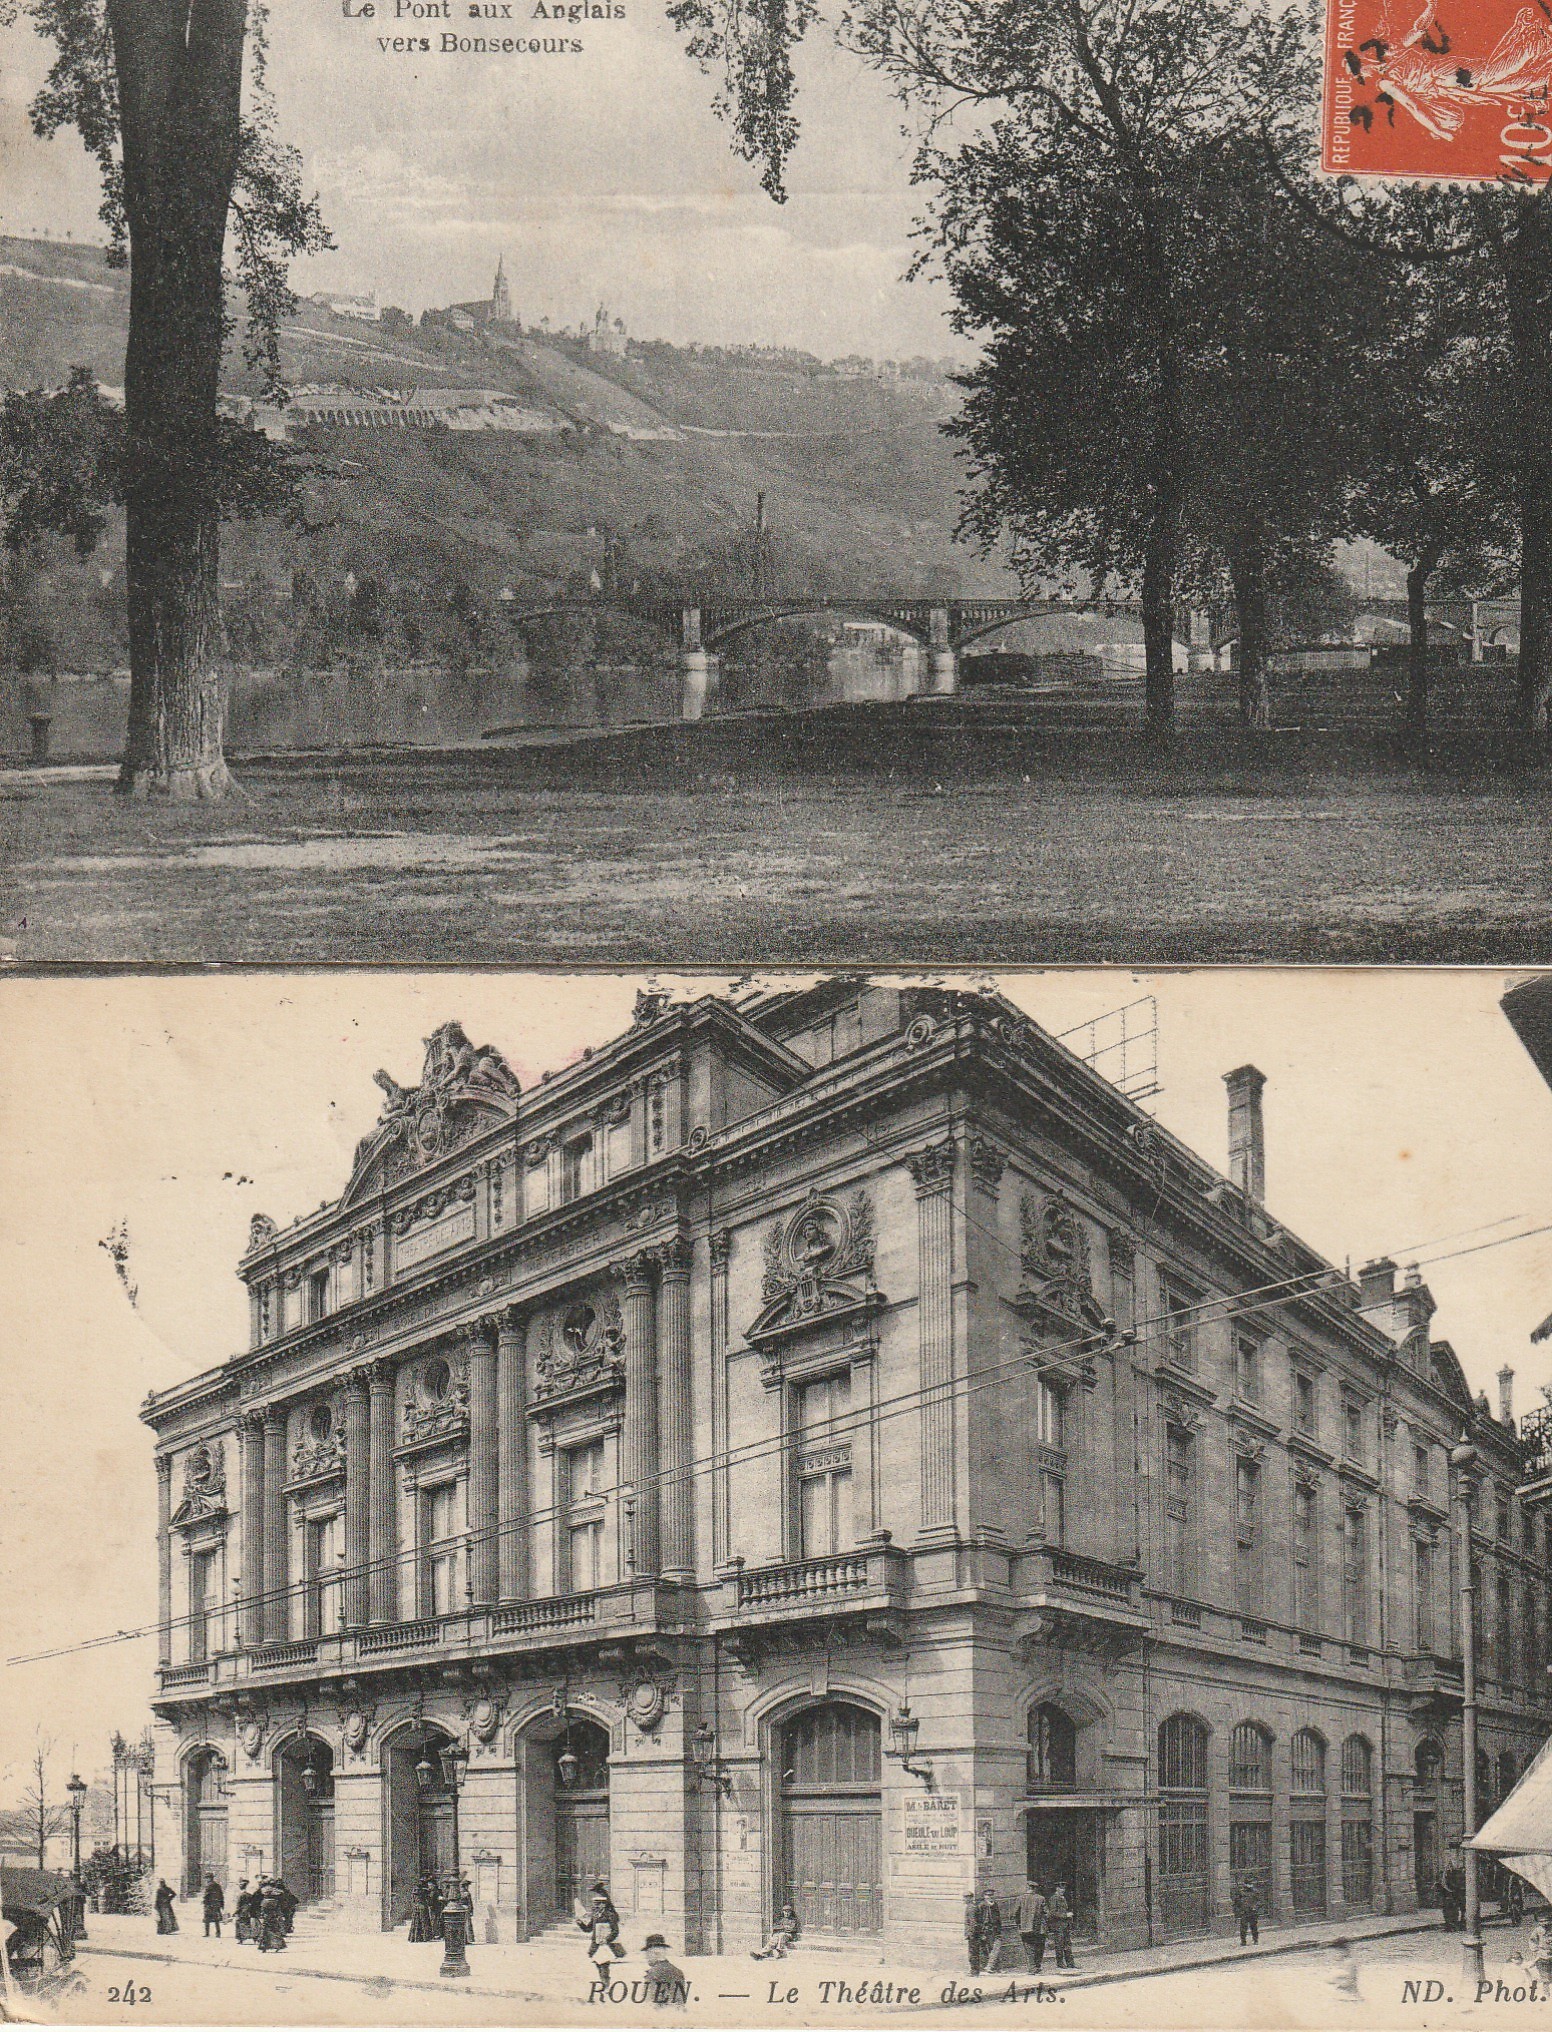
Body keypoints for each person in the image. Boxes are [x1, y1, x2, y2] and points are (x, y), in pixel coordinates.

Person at [579, 1884, 625, 1971]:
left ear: (603, 1905)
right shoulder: (595, 1915)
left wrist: (607, 1940)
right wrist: (580, 1924)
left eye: (598, 1904)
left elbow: (615, 1931)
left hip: (609, 1948)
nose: (595, 1906)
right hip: (596, 1949)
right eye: (595, 1904)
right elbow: (588, 1929)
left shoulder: (610, 1915)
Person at [641, 1934, 688, 2009]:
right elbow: (680, 2001)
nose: (646, 1957)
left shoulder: (653, 1973)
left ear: (655, 1953)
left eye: (647, 1953)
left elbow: (649, 2003)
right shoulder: (678, 1971)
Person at [1016, 1879, 1048, 1973]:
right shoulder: (1041, 1898)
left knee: (1029, 1949)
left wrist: (1019, 1925)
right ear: (1035, 1889)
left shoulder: (1020, 1898)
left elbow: (1016, 1914)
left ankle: (1032, 1968)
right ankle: (1037, 1967)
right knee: (1039, 1948)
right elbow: (1047, 1913)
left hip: (1025, 1928)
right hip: (1039, 1928)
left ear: (1027, 1888)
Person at [975, 1887, 1004, 1974]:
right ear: (984, 1896)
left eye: (991, 1895)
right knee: (987, 1949)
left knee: (996, 1948)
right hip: (985, 1931)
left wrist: (999, 1929)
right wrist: (981, 1933)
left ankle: (991, 1966)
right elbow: (978, 1920)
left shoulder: (995, 1905)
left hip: (995, 1930)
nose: (990, 1897)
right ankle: (992, 1967)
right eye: (988, 1895)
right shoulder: (981, 1905)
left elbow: (998, 1918)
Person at [1048, 1882, 1075, 1970]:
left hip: (1065, 1925)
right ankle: (1060, 1963)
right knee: (1059, 1944)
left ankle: (1070, 1963)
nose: (1063, 1890)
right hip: (1058, 1925)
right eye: (1061, 1888)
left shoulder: (1063, 1898)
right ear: (1057, 1889)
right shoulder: (1053, 1898)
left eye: (1064, 1888)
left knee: (1067, 1944)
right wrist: (1065, 1915)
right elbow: (1052, 1913)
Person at [257, 1880, 288, 1953]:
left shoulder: (264, 1902)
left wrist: (261, 1916)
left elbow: (262, 1911)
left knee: (265, 1932)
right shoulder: (275, 1901)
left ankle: (264, 1946)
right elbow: (278, 1911)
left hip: (266, 1918)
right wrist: (280, 1916)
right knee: (275, 1931)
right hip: (274, 1917)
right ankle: (278, 1945)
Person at [1232, 1874, 1261, 1947]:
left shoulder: (1255, 1891)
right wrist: (1239, 1909)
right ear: (1245, 1884)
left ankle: (1255, 1940)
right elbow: (1236, 1902)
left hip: (1253, 1912)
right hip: (1244, 1912)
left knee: (1254, 1927)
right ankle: (1243, 1942)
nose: (1250, 1885)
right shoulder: (1241, 1892)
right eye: (1248, 1884)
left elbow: (1259, 1901)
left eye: (1251, 1884)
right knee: (1243, 1928)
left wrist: (1255, 1907)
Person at [408, 1875, 438, 1943]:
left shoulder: (415, 1890)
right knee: (424, 1921)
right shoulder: (424, 1890)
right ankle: (425, 1937)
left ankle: (415, 1937)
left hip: (416, 1907)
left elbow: (413, 1899)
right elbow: (429, 1898)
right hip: (423, 1907)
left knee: (416, 1922)